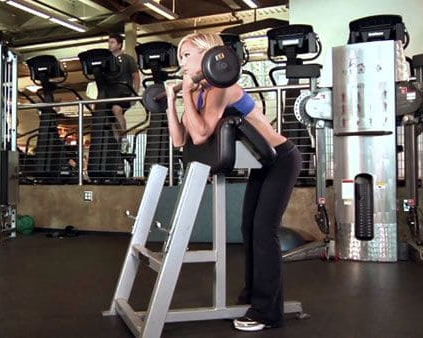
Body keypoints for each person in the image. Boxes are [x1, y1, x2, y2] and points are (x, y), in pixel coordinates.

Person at [164, 32, 302, 332]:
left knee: (264, 233)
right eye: (180, 57)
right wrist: (172, 102)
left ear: (208, 55)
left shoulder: (221, 87)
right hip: (262, 162)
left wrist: (186, 94)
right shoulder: (199, 94)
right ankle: (253, 296)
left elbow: (201, 134)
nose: (182, 63)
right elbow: (180, 140)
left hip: (281, 158)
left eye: (187, 56)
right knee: (249, 230)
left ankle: (267, 312)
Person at [103, 33, 140, 138]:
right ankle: (118, 143)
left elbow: (136, 76)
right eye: (109, 42)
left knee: (116, 109)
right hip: (109, 93)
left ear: (119, 45)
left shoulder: (128, 59)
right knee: (111, 118)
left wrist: (135, 94)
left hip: (124, 92)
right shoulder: (106, 61)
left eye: (112, 42)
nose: (109, 45)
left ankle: (124, 138)